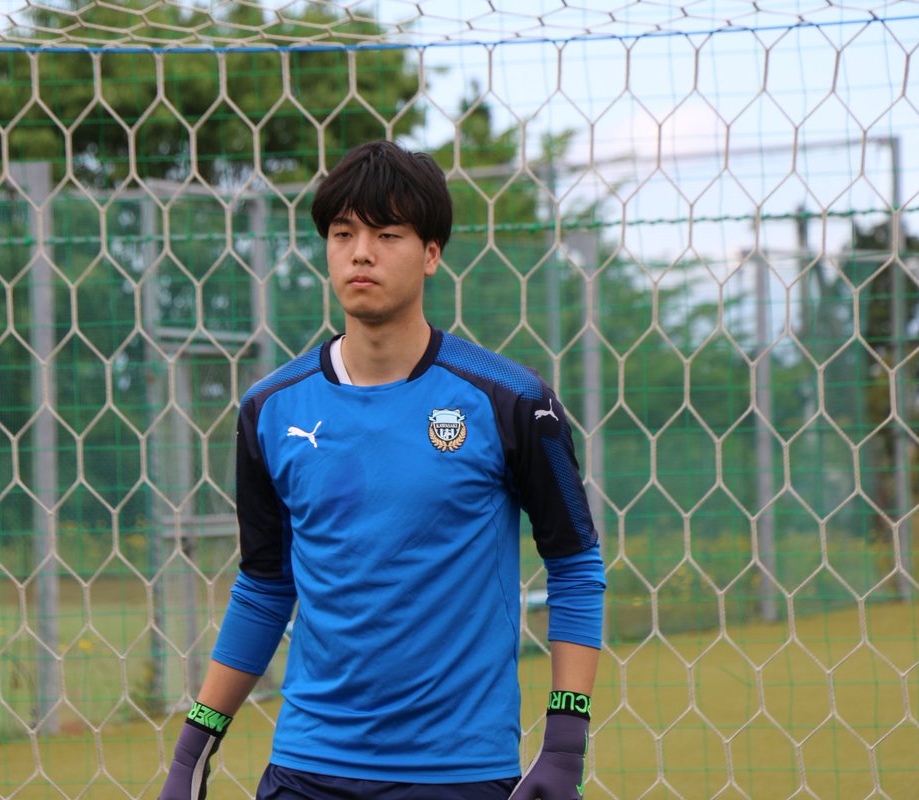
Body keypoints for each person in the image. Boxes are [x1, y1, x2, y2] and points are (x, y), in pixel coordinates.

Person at [160, 140, 606, 800]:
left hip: (460, 775)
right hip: (306, 767)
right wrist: (193, 748)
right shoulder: (269, 410)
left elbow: (574, 566)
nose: (361, 252)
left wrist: (564, 746)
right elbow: (263, 587)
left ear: (431, 253)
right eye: (344, 234)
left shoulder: (512, 402)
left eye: (386, 233)